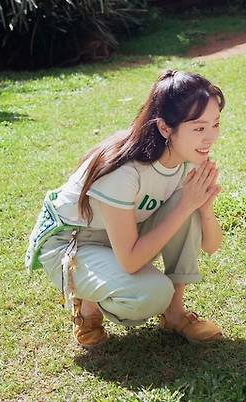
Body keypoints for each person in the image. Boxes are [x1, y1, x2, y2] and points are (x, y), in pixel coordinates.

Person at [25, 70, 225, 347]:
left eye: (215, 124)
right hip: (72, 242)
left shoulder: (189, 157)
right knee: (152, 293)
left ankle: (175, 313)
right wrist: (186, 205)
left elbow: (212, 246)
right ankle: (87, 303)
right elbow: (130, 260)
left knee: (185, 203)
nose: (210, 137)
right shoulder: (125, 169)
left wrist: (202, 208)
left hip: (118, 233)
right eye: (199, 128)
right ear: (165, 128)